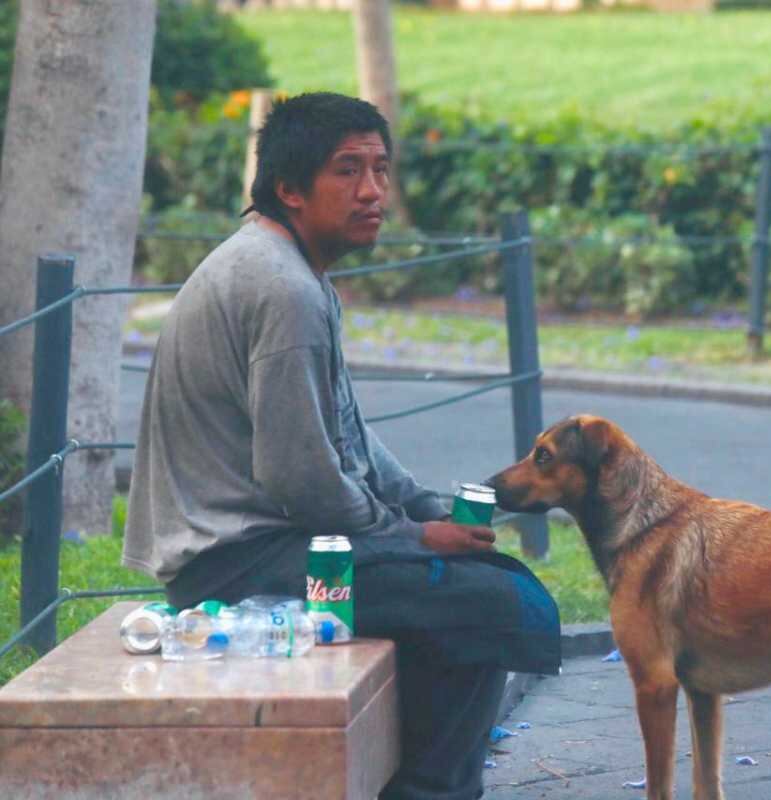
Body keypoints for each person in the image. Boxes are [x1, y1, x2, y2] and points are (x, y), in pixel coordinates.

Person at [123, 92, 560, 800]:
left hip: (281, 545)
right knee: (491, 604)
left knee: (470, 594)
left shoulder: (294, 271)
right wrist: (416, 534)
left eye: (381, 170)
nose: (372, 192)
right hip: (237, 569)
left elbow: (345, 432)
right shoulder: (283, 289)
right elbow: (299, 477)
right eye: (347, 171)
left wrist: (421, 505)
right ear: (290, 189)